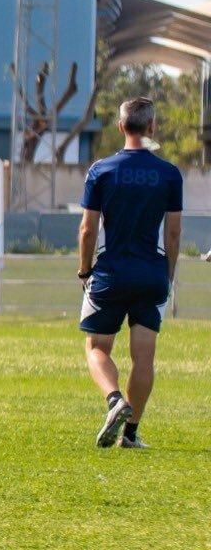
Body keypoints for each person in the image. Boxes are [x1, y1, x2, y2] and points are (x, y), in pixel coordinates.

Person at [77, 97, 183, 448]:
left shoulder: (101, 171)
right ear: (152, 127)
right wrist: (166, 274)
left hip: (110, 271)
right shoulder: (169, 174)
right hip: (151, 273)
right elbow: (172, 232)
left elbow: (88, 230)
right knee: (144, 357)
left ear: (120, 126)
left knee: (97, 348)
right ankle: (131, 434)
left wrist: (84, 270)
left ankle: (113, 400)